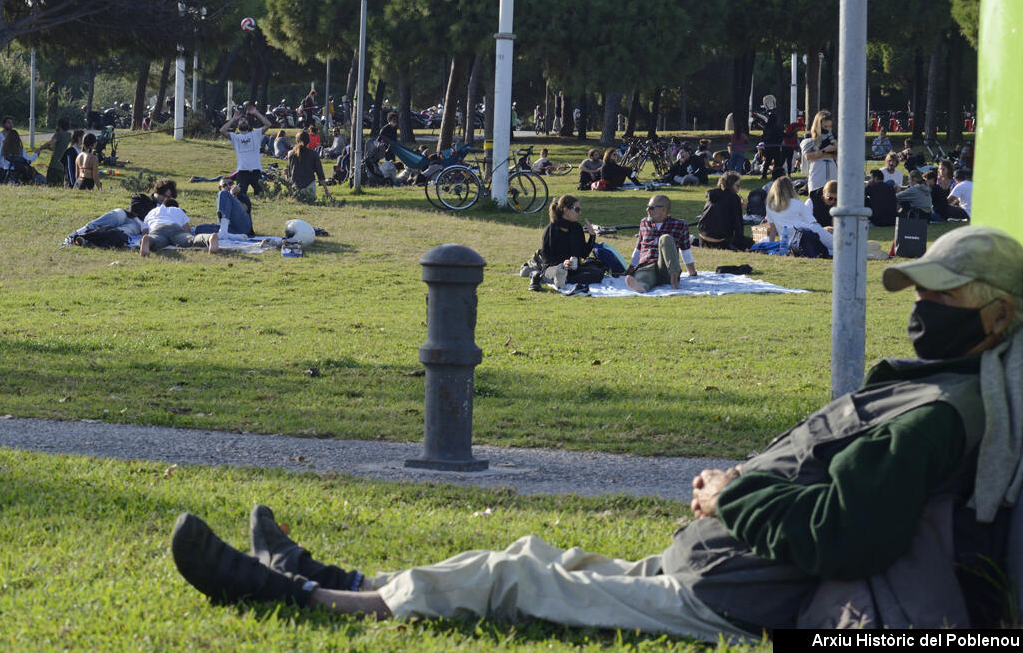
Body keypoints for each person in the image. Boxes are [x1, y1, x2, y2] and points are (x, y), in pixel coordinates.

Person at [170, 227, 1023, 638]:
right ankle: (333, 572)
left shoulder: (945, 413)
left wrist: (737, 491)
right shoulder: (943, 386)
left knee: (515, 577)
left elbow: (846, 533)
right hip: (723, 565)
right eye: (917, 288)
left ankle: (305, 597)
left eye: (941, 295)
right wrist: (737, 496)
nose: (919, 306)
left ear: (998, 315)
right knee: (538, 555)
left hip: (729, 596)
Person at [624, 195, 697, 293]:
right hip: (647, 265)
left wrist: (692, 273)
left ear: (663, 209)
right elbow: (638, 248)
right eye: (647, 207)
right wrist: (629, 270)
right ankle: (641, 287)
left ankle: (674, 281)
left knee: (665, 238)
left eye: (651, 208)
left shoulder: (680, 224)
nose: (647, 210)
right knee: (644, 277)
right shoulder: (644, 223)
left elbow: (685, 251)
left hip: (667, 268)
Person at [533, 194, 602, 296]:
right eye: (577, 209)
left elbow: (584, 253)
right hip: (554, 267)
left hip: (573, 270)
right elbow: (547, 258)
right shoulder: (552, 229)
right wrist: (563, 263)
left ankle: (564, 279)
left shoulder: (577, 228)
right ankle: (556, 277)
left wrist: (592, 235)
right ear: (566, 209)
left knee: (598, 273)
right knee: (557, 271)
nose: (579, 213)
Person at [764, 175, 833, 256]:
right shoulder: (797, 203)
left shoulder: (770, 206)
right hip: (808, 233)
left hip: (790, 242)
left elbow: (772, 229)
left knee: (822, 251)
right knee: (838, 246)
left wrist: (770, 246)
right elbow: (812, 222)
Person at [139, 188, 219, 257]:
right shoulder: (178, 210)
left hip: (158, 229)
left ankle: (148, 241)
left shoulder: (153, 211)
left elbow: (145, 231)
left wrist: (144, 237)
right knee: (191, 240)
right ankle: (209, 238)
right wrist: (188, 235)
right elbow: (187, 229)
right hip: (175, 228)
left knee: (157, 241)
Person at [220, 102, 272, 195]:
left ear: (248, 124)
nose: (243, 121)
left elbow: (268, 124)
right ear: (238, 125)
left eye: (245, 120)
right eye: (241, 120)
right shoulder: (235, 137)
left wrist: (256, 113)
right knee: (240, 195)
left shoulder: (255, 134)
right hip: (242, 172)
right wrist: (233, 119)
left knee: (261, 195)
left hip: (256, 171)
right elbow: (222, 130)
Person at [696, 172, 753, 250]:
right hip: (719, 239)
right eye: (738, 185)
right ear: (731, 185)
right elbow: (738, 224)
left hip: (702, 236)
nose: (739, 188)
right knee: (750, 242)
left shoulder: (714, 195)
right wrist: (742, 241)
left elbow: (722, 209)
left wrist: (739, 206)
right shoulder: (734, 199)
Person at [799, 110, 837, 216]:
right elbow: (808, 156)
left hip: (831, 165)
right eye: (825, 127)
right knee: (816, 195)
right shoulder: (810, 138)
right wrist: (825, 150)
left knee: (833, 193)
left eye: (829, 126)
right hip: (818, 167)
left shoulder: (833, 136)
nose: (828, 129)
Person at [285, 131, 332, 201]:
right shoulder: (313, 154)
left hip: (295, 190)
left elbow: (289, 175)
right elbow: (320, 174)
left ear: (297, 140)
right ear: (308, 141)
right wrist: (326, 191)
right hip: (309, 188)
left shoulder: (291, 154)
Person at [36, 117, 72, 186]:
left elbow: (51, 143)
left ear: (59, 125)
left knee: (50, 186)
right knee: (60, 187)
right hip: (64, 168)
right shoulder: (70, 136)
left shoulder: (58, 134)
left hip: (54, 166)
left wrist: (40, 148)